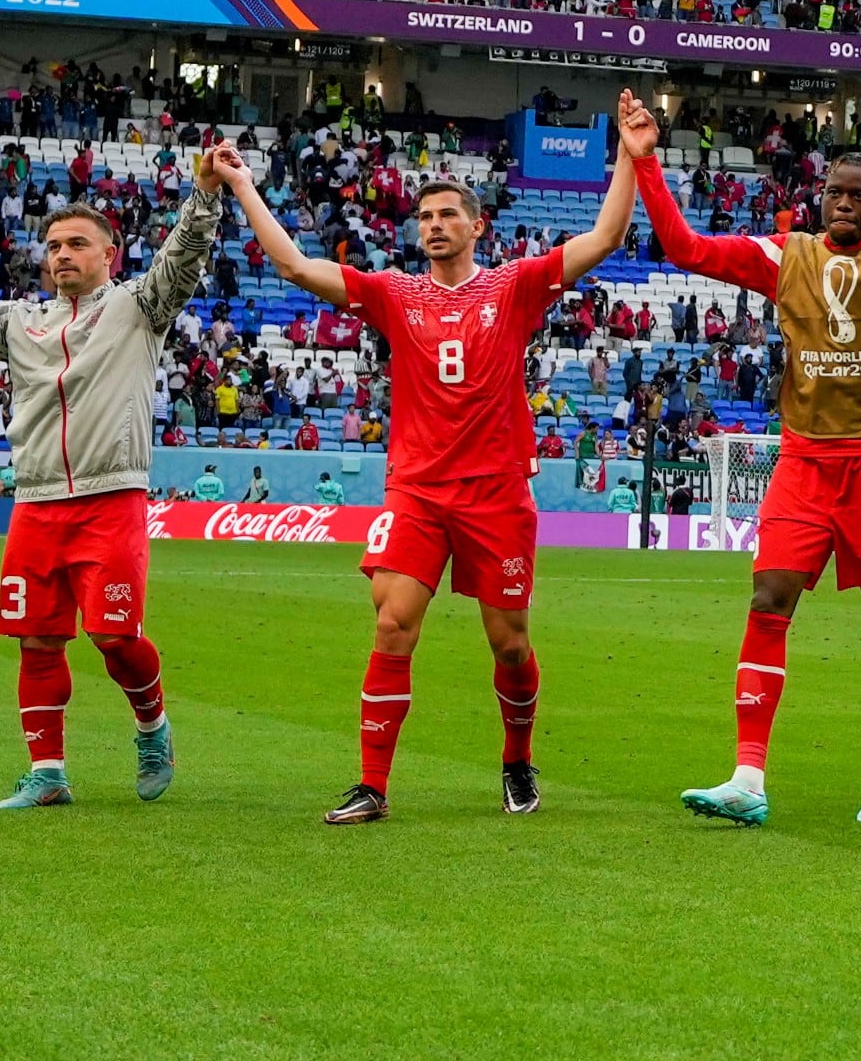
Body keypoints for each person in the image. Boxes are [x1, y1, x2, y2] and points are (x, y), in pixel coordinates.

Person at [213, 135, 640, 821]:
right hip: (416, 490)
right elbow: (292, 265)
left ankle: (517, 758)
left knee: (509, 645)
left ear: (477, 226)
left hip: (496, 493)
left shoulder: (515, 285)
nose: (434, 225)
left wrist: (631, 153)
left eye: (448, 215)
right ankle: (373, 786)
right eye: (425, 217)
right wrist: (240, 184)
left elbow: (608, 234)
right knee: (393, 624)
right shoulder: (392, 293)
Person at [625, 80, 861, 827]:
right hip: (804, 462)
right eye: (833, 192)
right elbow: (684, 248)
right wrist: (646, 164)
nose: (842, 203)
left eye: (857, 194)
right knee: (768, 599)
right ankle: (748, 778)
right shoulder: (786, 256)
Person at [0, 153, 224, 811]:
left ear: (110, 252)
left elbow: (182, 259)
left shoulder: (139, 307)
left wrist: (204, 195)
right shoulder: (22, 321)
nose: (62, 255)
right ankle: (48, 774)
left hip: (112, 498)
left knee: (113, 637)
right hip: (37, 502)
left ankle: (152, 728)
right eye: (53, 246)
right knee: (37, 637)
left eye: (77, 243)